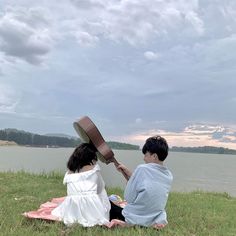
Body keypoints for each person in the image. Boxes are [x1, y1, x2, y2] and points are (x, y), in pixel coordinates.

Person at [109, 135, 173, 229]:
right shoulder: (168, 175)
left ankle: (127, 224)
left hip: (134, 217)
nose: (144, 159)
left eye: (146, 155)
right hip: (154, 217)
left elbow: (129, 198)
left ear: (154, 156)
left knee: (107, 202)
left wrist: (131, 179)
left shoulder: (142, 169)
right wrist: (128, 172)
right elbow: (147, 183)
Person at [51, 143, 111, 227]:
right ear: (90, 158)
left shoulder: (69, 172)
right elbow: (100, 189)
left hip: (72, 207)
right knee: (102, 191)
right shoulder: (94, 170)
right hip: (92, 209)